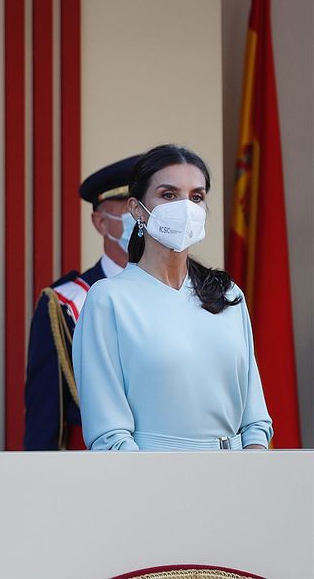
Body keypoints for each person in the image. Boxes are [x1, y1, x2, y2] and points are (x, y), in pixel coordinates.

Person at [72, 144, 273, 451]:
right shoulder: (108, 300)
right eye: (168, 195)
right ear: (137, 209)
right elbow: (110, 434)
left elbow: (255, 420)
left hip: (236, 479)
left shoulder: (228, 294)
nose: (186, 207)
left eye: (196, 197)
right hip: (154, 481)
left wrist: (249, 471)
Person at [24, 156, 138, 450]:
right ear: (101, 222)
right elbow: (46, 419)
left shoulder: (189, 293)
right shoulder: (64, 303)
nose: (142, 218)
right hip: (98, 472)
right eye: (130, 208)